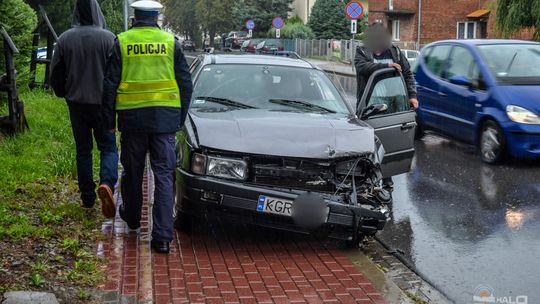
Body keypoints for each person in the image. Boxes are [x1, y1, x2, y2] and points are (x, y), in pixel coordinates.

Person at [102, 0, 193, 254]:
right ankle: (162, 238)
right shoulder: (170, 42)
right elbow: (185, 84)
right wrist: (179, 117)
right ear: (156, 18)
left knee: (132, 172)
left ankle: (132, 219)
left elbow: (109, 85)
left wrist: (109, 122)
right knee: (164, 176)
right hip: (164, 121)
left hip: (132, 120)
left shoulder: (122, 41)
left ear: (135, 18)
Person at [50, 0, 118, 218]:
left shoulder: (64, 39)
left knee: (83, 150)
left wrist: (65, 93)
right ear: (98, 12)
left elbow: (56, 75)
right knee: (108, 147)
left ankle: (87, 197)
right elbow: (117, 73)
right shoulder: (109, 38)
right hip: (103, 104)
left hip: (77, 103)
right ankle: (107, 183)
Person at [354, 22, 419, 191]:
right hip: (369, 106)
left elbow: (407, 74)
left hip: (393, 104)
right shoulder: (362, 52)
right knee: (367, 143)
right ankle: (366, 179)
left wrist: (412, 96)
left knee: (388, 141)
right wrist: (386, 66)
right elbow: (363, 68)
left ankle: (387, 180)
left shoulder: (395, 52)